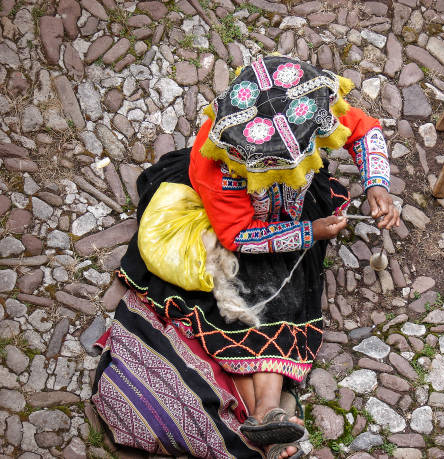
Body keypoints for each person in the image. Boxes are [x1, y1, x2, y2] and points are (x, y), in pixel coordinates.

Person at [93, 56, 399, 459]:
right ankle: (267, 411)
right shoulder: (217, 166)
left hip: (288, 209)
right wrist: (310, 232)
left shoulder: (307, 106)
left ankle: (264, 416)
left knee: (275, 289)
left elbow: (364, 129)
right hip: (238, 225)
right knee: (267, 294)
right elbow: (238, 236)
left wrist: (378, 186)